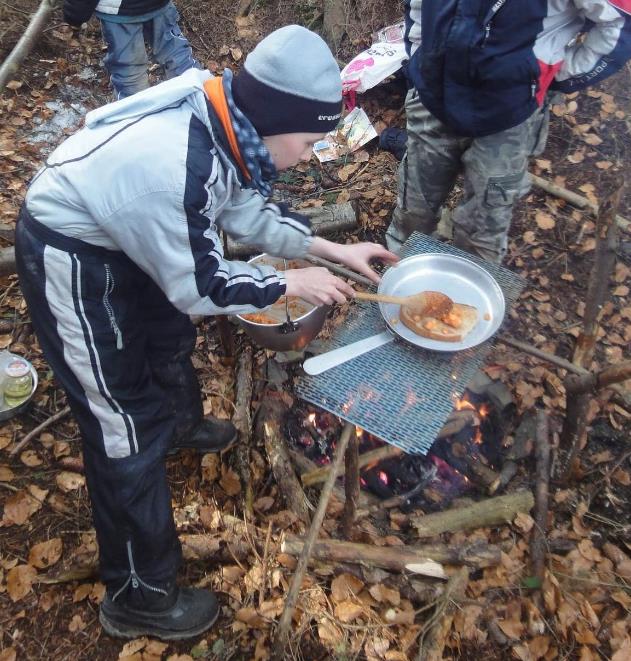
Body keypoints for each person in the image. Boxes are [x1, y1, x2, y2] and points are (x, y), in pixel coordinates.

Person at [15, 25, 397, 640]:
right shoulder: (174, 165)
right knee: (121, 425)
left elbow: (240, 209)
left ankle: (180, 428)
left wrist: (329, 246)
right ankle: (138, 595)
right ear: (275, 118)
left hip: (125, 230)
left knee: (167, 336)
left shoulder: (226, 117)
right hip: (72, 252)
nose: (305, 156)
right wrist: (286, 285)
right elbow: (201, 286)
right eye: (306, 142)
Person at [386, 0, 631, 263]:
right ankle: (401, 277)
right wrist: (418, 57)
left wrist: (553, 76)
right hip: (433, 97)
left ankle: (472, 293)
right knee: (414, 211)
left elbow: (619, 25)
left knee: (483, 228)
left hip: (510, 117)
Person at [63, 0, 201, 99]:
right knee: (176, 53)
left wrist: (74, 13)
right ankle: (200, 95)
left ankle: (136, 120)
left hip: (120, 11)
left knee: (129, 72)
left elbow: (77, 11)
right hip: (159, 5)